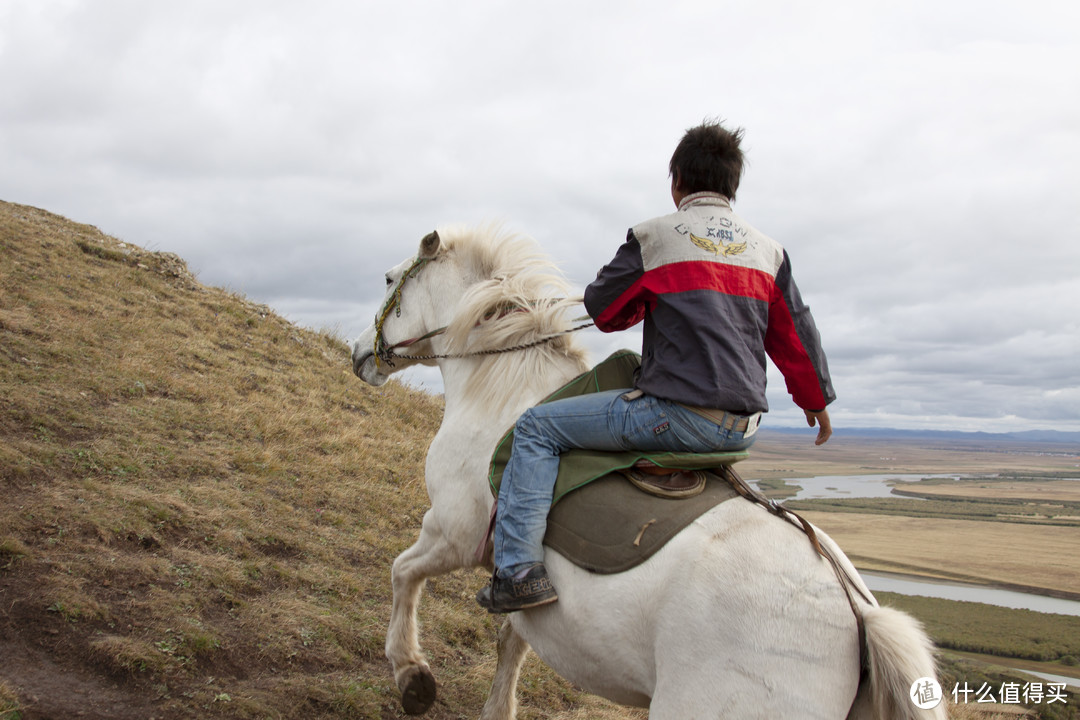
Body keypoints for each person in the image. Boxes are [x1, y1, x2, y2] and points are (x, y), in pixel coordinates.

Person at [476, 120, 835, 613]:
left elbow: (604, 310)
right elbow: (795, 332)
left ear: (677, 183)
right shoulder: (769, 253)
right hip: (743, 429)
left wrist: (646, 300)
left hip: (680, 420)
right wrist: (814, 400)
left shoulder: (655, 238)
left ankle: (517, 571)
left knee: (537, 428)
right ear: (733, 185)